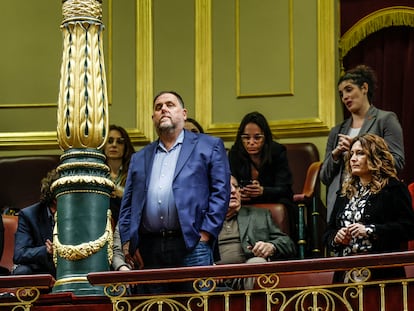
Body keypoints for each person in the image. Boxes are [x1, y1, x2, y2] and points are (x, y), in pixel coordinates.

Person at [118, 90, 230, 293]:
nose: (163, 109)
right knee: (154, 306)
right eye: (158, 107)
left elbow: (221, 193)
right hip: (150, 247)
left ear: (184, 114)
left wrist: (205, 233)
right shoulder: (139, 157)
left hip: (191, 242)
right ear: (153, 117)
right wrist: (128, 242)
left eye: (170, 105)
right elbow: (128, 205)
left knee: (196, 304)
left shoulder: (209, 146)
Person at [324, 133, 414, 282]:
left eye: (360, 154)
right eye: (351, 154)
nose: (353, 159)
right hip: (345, 275)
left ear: (375, 157)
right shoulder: (345, 192)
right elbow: (327, 232)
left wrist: (370, 230)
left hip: (381, 275)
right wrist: (336, 237)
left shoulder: (393, 188)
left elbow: (409, 228)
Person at [320, 65, 405, 220]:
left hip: (376, 204)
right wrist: (336, 154)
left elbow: (397, 162)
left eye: (349, 89)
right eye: (341, 93)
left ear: (364, 88)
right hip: (340, 207)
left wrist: (363, 147)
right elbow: (324, 177)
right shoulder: (337, 131)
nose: (345, 97)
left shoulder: (385, 120)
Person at [216, 176, 297, 290]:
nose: (233, 191)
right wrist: (208, 266)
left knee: (257, 263)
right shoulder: (204, 220)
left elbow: (288, 244)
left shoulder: (259, 215)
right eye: (226, 187)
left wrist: (271, 246)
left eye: (236, 186)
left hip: (246, 274)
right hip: (213, 277)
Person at [228, 111, 296, 238]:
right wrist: (239, 192)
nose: (251, 142)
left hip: (273, 198)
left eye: (257, 137)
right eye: (246, 138)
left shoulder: (277, 151)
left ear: (265, 138)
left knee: (287, 204)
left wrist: (262, 191)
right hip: (244, 202)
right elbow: (230, 183)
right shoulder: (234, 154)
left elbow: (285, 189)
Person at [13, 169, 59, 277]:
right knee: (22, 271)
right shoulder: (29, 215)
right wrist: (46, 250)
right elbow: (19, 254)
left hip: (76, 265)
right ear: (55, 198)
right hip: (45, 269)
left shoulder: (80, 213)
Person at [104, 124, 135, 225]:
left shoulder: (134, 172)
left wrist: (122, 194)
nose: (114, 145)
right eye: (110, 141)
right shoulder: (95, 172)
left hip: (126, 220)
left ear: (125, 147)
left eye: (119, 142)